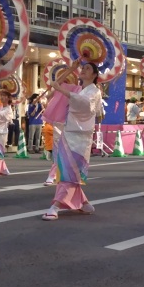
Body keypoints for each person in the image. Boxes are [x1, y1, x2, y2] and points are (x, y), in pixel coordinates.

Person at [42, 59, 102, 221]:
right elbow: (54, 87)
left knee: (69, 172)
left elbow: (86, 106)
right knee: (67, 171)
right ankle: (83, 202)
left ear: (95, 75)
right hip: (68, 134)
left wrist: (64, 91)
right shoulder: (78, 89)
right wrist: (71, 69)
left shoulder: (94, 91)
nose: (84, 69)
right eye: (83, 67)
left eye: (88, 68)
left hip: (81, 137)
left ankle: (56, 205)